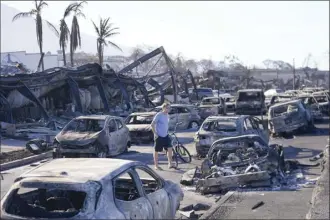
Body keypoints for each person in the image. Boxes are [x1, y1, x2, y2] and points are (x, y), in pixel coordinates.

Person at [151, 102, 174, 170]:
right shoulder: (159, 115)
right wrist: (155, 133)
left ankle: (170, 164)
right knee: (156, 151)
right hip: (159, 136)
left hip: (166, 135)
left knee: (170, 149)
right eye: (167, 108)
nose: (168, 109)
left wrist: (167, 132)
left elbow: (165, 125)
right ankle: (156, 165)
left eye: (169, 108)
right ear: (163, 108)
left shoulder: (167, 115)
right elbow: (152, 124)